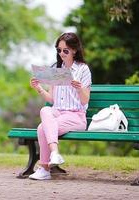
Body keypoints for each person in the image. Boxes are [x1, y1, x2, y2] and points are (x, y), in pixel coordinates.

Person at [28, 32, 92, 180]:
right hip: (58, 113)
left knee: (42, 128)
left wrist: (79, 88)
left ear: (74, 50)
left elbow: (84, 100)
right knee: (45, 109)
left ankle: (44, 168)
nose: (61, 53)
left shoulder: (83, 69)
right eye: (59, 50)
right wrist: (39, 88)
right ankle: (54, 154)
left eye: (65, 50)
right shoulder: (56, 69)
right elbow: (51, 99)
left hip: (76, 117)